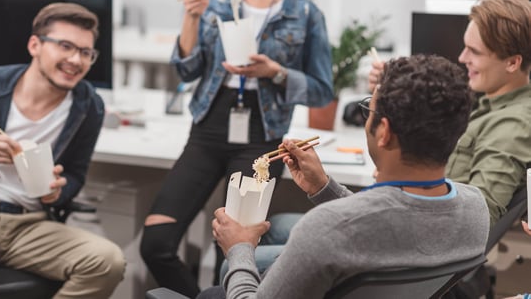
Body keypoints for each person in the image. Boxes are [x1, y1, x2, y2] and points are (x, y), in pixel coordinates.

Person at [206, 54, 490, 298]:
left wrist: (239, 247)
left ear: (384, 132)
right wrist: (324, 187)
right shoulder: (475, 210)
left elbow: (368, 223)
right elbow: (388, 224)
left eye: (369, 108)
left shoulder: (325, 229)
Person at [139, 0, 333, 297]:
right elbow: (186, 71)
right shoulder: (215, 5)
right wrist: (191, 17)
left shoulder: (304, 12)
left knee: (230, 254)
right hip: (208, 130)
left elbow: (322, 91)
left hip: (263, 136)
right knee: (155, 242)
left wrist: (275, 73)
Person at [0, 3, 125, 298]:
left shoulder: (89, 106)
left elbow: (75, 175)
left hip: (30, 225)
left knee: (108, 261)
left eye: (86, 52)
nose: (76, 59)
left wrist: (58, 191)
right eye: (66, 46)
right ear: (35, 45)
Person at [369, 0, 531, 227]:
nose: (462, 57)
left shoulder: (512, 124)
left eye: (474, 52)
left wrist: (399, 182)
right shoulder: (488, 102)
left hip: (425, 238)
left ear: (513, 63)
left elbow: (478, 220)